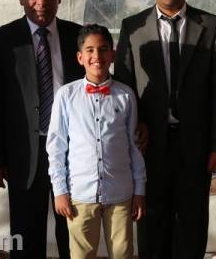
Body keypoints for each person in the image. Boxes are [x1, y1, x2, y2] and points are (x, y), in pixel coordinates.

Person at [114, 0, 216, 258]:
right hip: (148, 144)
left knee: (192, 223)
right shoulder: (132, 27)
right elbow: (124, 88)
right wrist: (131, 131)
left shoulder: (212, 26)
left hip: (196, 145)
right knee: (152, 223)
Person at [0, 0, 84, 259]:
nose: (41, 1)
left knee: (73, 232)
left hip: (72, 149)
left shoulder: (78, 35)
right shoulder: (3, 40)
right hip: (25, 153)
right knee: (27, 236)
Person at [47, 24, 146, 259]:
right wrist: (59, 190)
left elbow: (134, 147)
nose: (97, 56)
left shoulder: (125, 95)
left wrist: (139, 189)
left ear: (112, 55)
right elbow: (56, 146)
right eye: (89, 50)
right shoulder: (66, 95)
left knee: (122, 253)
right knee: (82, 254)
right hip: (80, 194)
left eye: (103, 49)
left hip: (120, 194)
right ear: (80, 57)